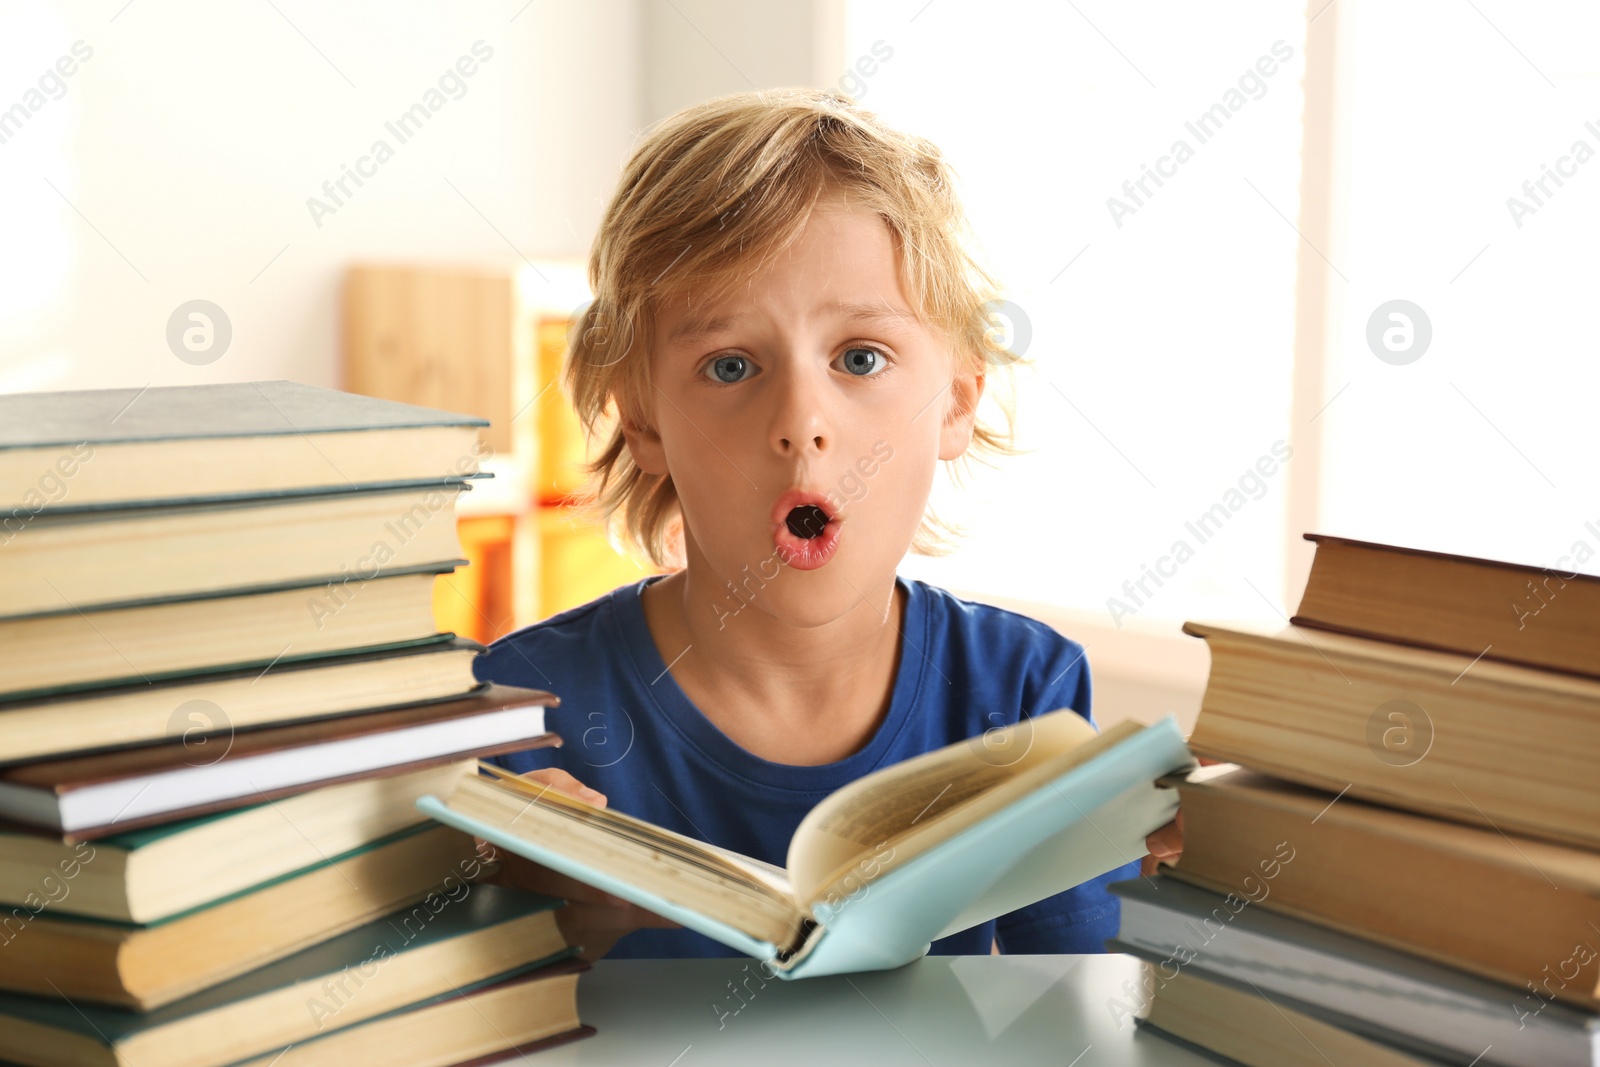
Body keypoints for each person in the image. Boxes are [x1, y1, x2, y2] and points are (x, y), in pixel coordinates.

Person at [474, 87, 1183, 961]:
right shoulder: (522, 704)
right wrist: (503, 929)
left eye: (859, 358)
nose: (801, 421)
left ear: (958, 398)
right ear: (644, 420)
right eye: (731, 365)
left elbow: (1083, 1009)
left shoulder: (1022, 688)